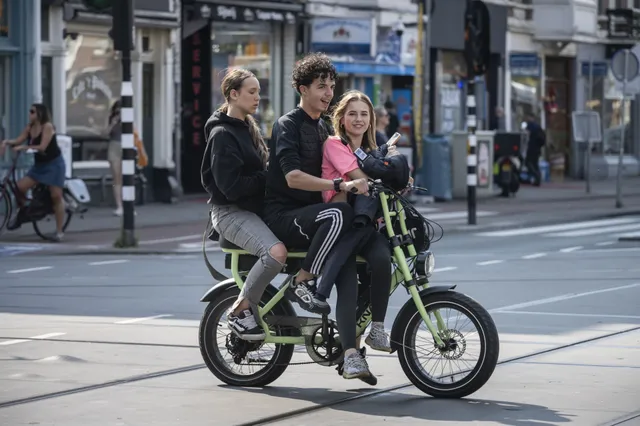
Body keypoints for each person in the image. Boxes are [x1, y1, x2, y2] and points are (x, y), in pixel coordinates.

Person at [263, 53, 372, 379]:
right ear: (302, 88)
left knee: (355, 260)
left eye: (331, 86)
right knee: (338, 215)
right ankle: (302, 281)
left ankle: (351, 349)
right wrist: (339, 185)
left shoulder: (323, 127)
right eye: (321, 86)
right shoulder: (287, 125)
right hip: (284, 214)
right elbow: (292, 177)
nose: (328, 93)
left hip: (314, 214)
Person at [201, 68, 288, 341]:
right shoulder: (222, 135)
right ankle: (241, 308)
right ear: (233, 94)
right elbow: (232, 188)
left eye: (259, 92)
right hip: (230, 212)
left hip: (251, 209)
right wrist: (269, 177)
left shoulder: (247, 127)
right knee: (276, 253)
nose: (258, 97)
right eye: (252, 92)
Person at [315, 90, 402, 354]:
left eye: (364, 114)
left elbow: (382, 178)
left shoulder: (371, 149)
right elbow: (361, 177)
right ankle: (350, 353)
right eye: (352, 114)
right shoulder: (334, 144)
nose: (358, 119)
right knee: (348, 286)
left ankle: (377, 329)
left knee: (383, 260)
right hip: (341, 224)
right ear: (341, 119)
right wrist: (391, 174)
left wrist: (399, 179)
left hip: (365, 225)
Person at [1, 103, 66, 241]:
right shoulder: (30, 127)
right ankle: (26, 210)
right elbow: (18, 140)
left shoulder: (47, 126)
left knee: (56, 196)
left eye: (32, 112)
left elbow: (42, 147)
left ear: (40, 114)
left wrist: (23, 148)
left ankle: (59, 232)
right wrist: (6, 142)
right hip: (39, 166)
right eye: (29, 111)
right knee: (19, 188)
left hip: (54, 165)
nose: (29, 114)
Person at [107, 101, 124, 216]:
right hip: (114, 146)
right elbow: (105, 133)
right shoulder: (112, 119)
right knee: (116, 178)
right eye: (117, 110)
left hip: (126, 146)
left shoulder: (128, 120)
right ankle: (119, 205)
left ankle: (128, 204)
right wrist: (113, 123)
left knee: (126, 177)